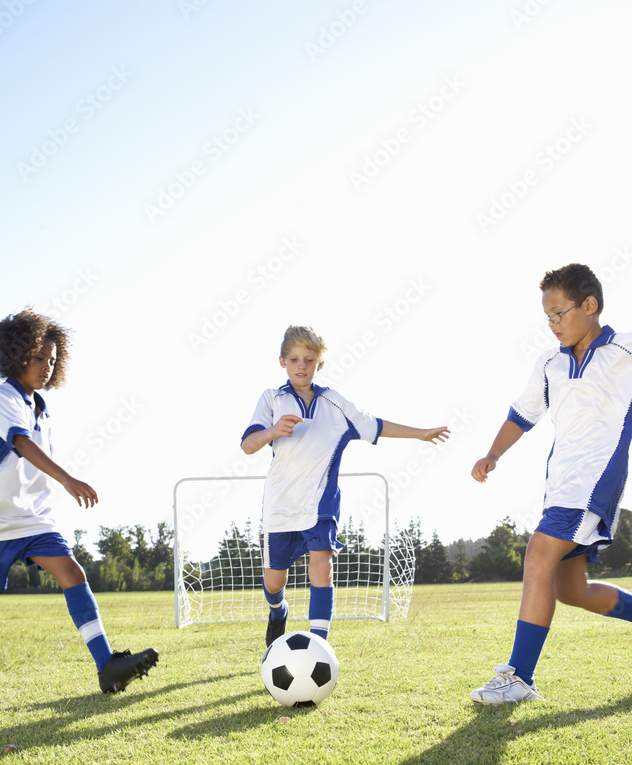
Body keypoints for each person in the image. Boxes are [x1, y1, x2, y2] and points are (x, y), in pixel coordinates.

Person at [0, 309, 158, 694]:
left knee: (73, 573)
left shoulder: (43, 408)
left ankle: (107, 667)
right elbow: (20, 444)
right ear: (17, 354)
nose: (46, 367)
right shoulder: (0, 398)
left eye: (52, 360)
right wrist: (68, 479)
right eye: (39, 357)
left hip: (33, 519)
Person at [470, 262, 632, 704]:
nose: (552, 324)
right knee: (571, 590)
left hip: (593, 487)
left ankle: (520, 677)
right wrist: (492, 454)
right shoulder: (548, 364)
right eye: (547, 317)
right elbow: (522, 415)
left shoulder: (624, 352)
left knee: (538, 552)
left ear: (590, 305)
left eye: (559, 313)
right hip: (559, 489)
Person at [241, 324, 450, 646]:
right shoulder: (272, 398)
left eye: (309, 360)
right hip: (280, 504)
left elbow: (375, 425)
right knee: (273, 582)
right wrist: (272, 431)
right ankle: (278, 612)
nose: (301, 365)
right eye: (294, 358)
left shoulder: (335, 404)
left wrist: (420, 433)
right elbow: (247, 445)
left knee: (322, 565)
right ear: (282, 361)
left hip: (320, 504)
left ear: (319, 365)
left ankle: (318, 644)